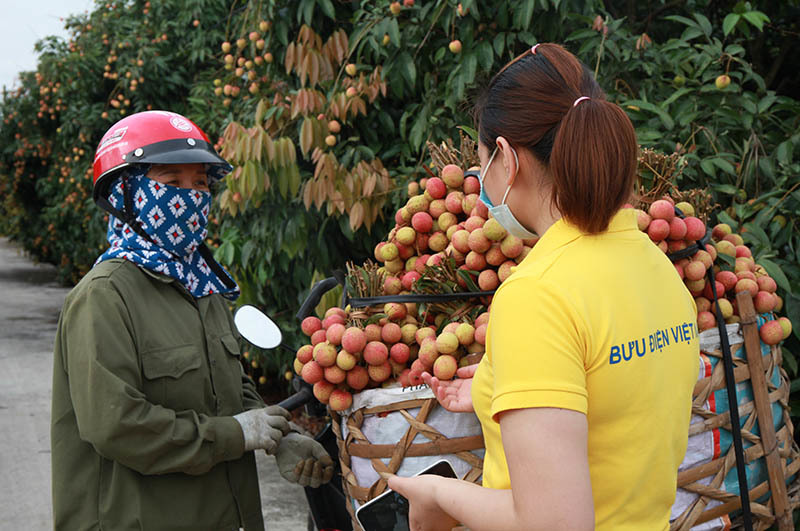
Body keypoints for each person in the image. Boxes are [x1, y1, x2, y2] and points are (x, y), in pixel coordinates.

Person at [388, 43, 700, 530]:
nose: (481, 180)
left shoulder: (537, 296)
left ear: (507, 160)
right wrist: (499, 385)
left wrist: (437, 494)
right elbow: (616, 395)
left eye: (482, 162)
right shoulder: (653, 262)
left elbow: (553, 523)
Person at [51, 110, 333, 530]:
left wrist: (277, 435)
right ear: (125, 195)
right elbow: (116, 425)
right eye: (171, 182)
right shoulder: (104, 296)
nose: (191, 196)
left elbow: (231, 388)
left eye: (200, 183)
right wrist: (235, 434)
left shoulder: (202, 286)